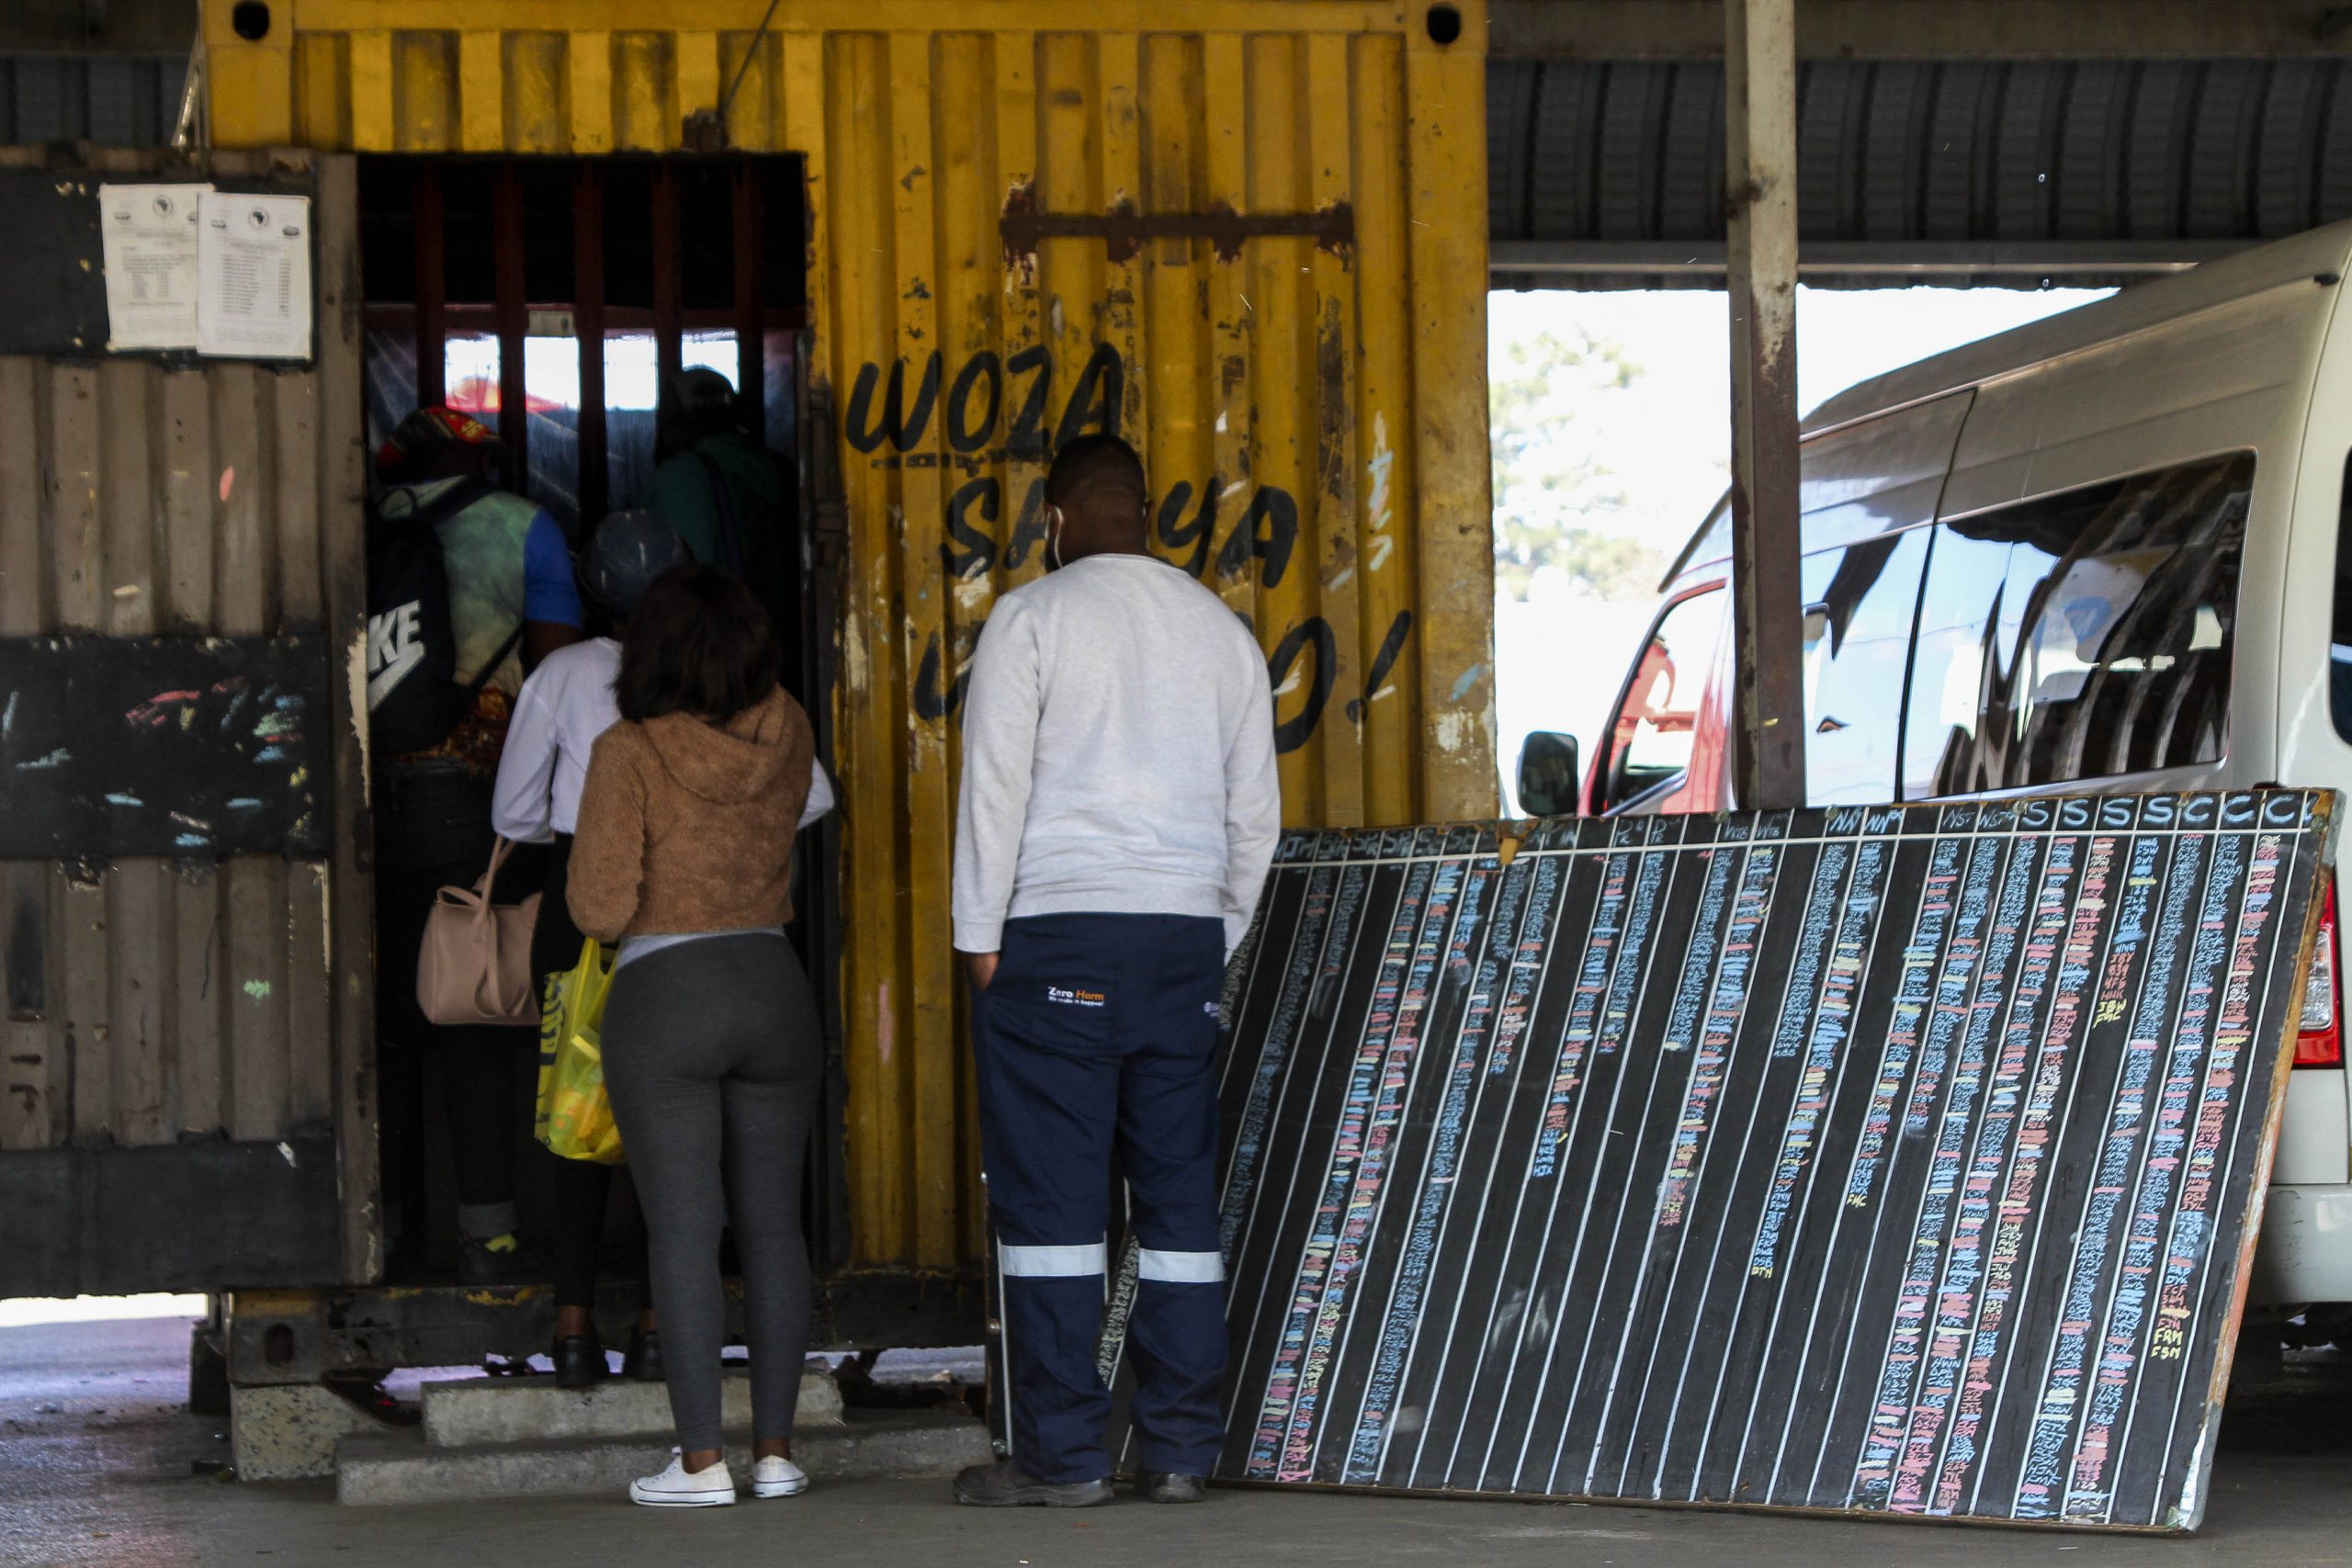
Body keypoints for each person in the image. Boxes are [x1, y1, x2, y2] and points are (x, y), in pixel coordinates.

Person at [949, 433, 1281, 1507]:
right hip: (1180, 941)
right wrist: (1213, 940)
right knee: (1178, 1201)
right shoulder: (1219, 629)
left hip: (1056, 939)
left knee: (1053, 1211)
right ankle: (1182, 1449)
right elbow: (1254, 822)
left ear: (1054, 518)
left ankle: (1065, 1458)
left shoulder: (1033, 616)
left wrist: (979, 940)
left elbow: (993, 788)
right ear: (1146, 511)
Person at [567, 565, 834, 1508]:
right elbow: (809, 816)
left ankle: (698, 1465)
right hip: (773, 984)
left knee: (684, 1228)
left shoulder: (627, 750)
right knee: (772, 1226)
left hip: (668, 995)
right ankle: (773, 1453)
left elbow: (598, 909)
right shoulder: (790, 727)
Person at [371, 406, 585, 1283]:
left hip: (370, 803)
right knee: (475, 1011)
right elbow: (560, 664)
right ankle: (488, 1232)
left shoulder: (361, 522)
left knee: (381, 1021)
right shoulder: (524, 525)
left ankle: (380, 1233)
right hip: (479, 802)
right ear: (477, 457)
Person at [492, 512, 691, 1386]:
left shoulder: (562, 672)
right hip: (680, 904)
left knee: (576, 1117)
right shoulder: (704, 673)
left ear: (590, 589)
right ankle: (656, 1323)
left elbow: (510, 815)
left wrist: (575, 823)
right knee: (672, 1123)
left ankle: (573, 1328)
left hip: (579, 904)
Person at [650, 367, 800, 639]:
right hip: (782, 641)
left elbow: (680, 589)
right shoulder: (778, 468)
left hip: (718, 649)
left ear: (679, 422)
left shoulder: (681, 477)